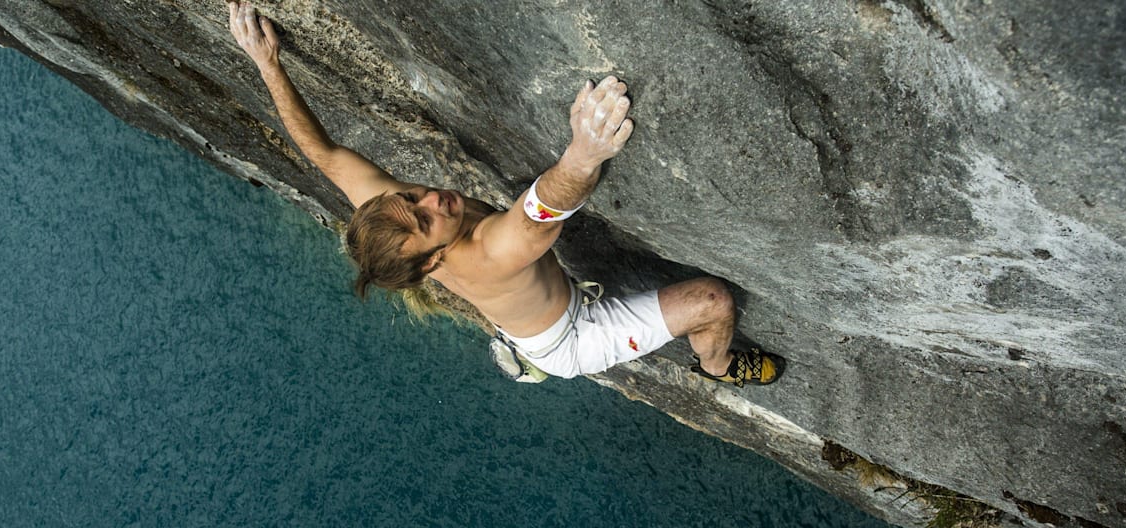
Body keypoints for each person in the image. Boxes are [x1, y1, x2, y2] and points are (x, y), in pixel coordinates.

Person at [227, 2, 782, 386]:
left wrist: (266, 63)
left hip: (523, 310)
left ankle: (515, 346)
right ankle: (716, 367)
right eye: (425, 221)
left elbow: (322, 155)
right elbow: (543, 210)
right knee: (714, 303)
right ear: (434, 261)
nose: (434, 200)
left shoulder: (395, 224)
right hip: (573, 340)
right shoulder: (491, 252)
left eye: (413, 196)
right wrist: (583, 153)